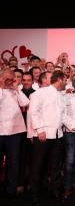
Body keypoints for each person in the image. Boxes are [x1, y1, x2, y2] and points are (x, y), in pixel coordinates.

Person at [29, 70, 67, 205]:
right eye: (65, 79)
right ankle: (34, 194)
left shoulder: (61, 96)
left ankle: (54, 191)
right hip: (43, 135)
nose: (66, 82)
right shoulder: (40, 93)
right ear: (60, 79)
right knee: (38, 165)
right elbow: (34, 111)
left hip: (57, 135)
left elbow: (63, 117)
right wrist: (39, 129)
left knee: (56, 166)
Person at [0, 68, 29, 198]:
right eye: (6, 79)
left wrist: (16, 88)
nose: (8, 81)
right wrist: (1, 86)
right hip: (0, 131)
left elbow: (26, 103)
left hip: (15, 131)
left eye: (10, 79)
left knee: (14, 161)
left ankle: (11, 189)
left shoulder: (16, 91)